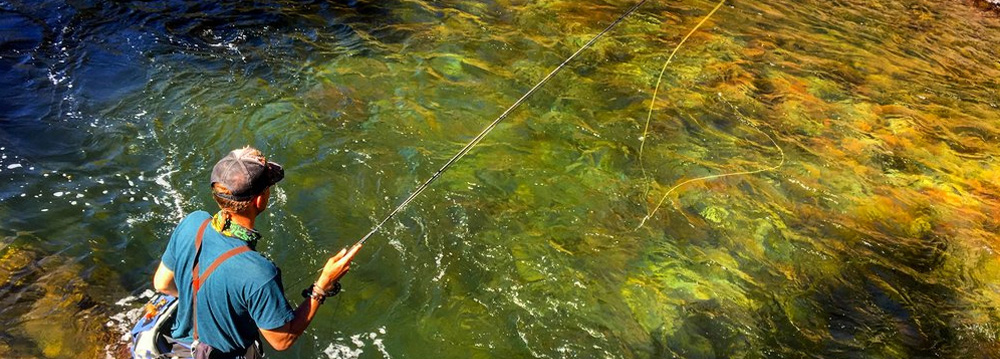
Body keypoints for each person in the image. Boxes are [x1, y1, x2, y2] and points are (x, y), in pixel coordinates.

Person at [151, 146, 361, 358]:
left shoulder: (192, 222)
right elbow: (282, 340)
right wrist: (322, 287)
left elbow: (162, 284)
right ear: (259, 200)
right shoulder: (259, 272)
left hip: (179, 349)